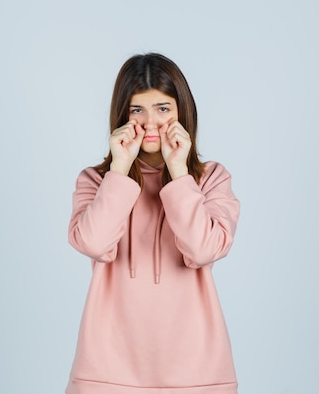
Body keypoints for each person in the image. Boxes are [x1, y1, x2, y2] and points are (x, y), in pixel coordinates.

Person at [65, 53, 240, 394]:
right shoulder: (97, 181)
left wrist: (178, 172)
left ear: (181, 113)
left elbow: (203, 250)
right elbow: (93, 243)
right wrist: (119, 169)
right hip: (105, 372)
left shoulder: (211, 179)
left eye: (163, 109)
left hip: (197, 372)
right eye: (136, 110)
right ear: (122, 115)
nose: (150, 122)